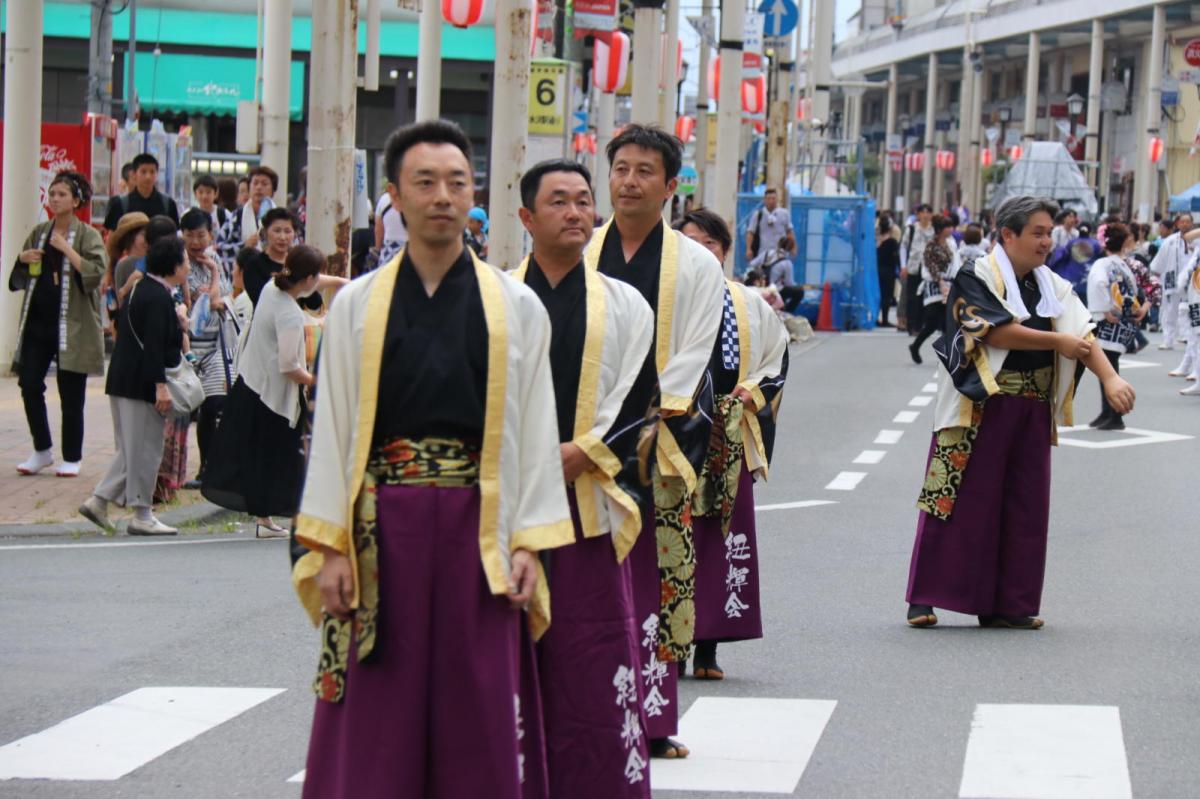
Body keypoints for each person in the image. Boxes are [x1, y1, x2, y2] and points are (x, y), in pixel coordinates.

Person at [292, 120, 572, 799]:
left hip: (481, 529)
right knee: (379, 696)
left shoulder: (518, 307)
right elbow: (330, 430)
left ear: (474, 195)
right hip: (381, 529)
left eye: (456, 182)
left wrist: (531, 541)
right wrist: (329, 545)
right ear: (394, 196)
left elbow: (537, 429)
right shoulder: (357, 305)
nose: (442, 196)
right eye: (424, 182)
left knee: (477, 695)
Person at [906, 196, 1135, 630]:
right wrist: (1058, 344)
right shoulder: (977, 275)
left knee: (1024, 507)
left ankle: (1009, 603)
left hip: (1031, 407)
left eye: (1049, 232)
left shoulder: (1052, 285)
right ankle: (924, 596)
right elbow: (995, 331)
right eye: (1038, 232)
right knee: (951, 498)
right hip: (978, 405)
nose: (1047, 241)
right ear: (1007, 235)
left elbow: (1082, 333)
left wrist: (1110, 379)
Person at [514, 159, 655, 797]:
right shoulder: (495, 298)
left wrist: (586, 451)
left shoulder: (624, 305)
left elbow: (639, 402)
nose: (576, 212)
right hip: (508, 506)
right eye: (559, 202)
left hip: (584, 501)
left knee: (590, 653)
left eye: (582, 201)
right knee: (505, 652)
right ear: (526, 218)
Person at [587, 123, 725, 760]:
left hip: (652, 441)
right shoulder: (580, 250)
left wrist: (625, 425)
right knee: (579, 580)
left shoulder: (696, 264)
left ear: (671, 187)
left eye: (645, 170)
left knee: (653, 580)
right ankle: (578, 710)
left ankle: (655, 718)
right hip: (576, 445)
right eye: (621, 168)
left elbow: (693, 356)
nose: (630, 180)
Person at [677, 207, 788, 682]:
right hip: (672, 434)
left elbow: (775, 356)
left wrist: (752, 391)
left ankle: (708, 645)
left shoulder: (747, 303)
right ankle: (669, 643)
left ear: (723, 252)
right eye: (690, 243)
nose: (701, 252)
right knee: (671, 537)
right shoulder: (664, 301)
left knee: (721, 538)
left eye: (710, 244)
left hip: (727, 429)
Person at [202, 245, 333, 537]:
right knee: (276, 461)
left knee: (256, 457)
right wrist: (319, 380)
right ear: (308, 278)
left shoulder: (270, 289)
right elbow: (290, 367)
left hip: (251, 385)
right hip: (274, 398)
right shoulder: (290, 315)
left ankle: (264, 519)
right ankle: (270, 519)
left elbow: (314, 279)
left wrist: (344, 284)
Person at [79, 236, 191, 536]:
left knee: (130, 451)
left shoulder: (144, 289)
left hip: (123, 380)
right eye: (186, 261)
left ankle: (99, 502)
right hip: (142, 384)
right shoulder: (157, 297)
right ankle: (142, 514)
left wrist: (178, 327)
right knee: (145, 450)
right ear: (174, 265)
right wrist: (161, 387)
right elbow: (153, 346)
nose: (188, 266)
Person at [10, 171, 107, 477]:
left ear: (76, 201)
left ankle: (72, 455)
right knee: (28, 383)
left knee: (71, 393)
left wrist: (67, 250)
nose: (55, 199)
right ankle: (42, 449)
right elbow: (18, 279)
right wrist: (22, 259)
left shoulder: (88, 235)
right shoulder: (40, 232)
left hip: (73, 325)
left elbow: (95, 275)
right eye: (52, 194)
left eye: (62, 194)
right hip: (39, 323)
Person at [179, 208, 246, 490]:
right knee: (193, 406)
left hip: (216, 343)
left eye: (201, 235)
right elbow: (192, 301)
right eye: (190, 235)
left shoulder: (214, 258)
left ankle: (210, 467)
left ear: (210, 234)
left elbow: (221, 299)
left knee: (215, 404)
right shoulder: (177, 260)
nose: (196, 241)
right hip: (188, 344)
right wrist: (208, 294)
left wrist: (215, 272)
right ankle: (197, 467)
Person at [1086, 223, 1147, 430]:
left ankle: (1114, 414)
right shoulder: (1126, 265)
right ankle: (1108, 412)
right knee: (1110, 368)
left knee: (1108, 370)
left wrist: (1103, 310)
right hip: (1124, 321)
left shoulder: (1102, 264)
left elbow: (1098, 284)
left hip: (1109, 320)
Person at [216, 165, 279, 278]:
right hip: (241, 277)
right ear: (249, 188)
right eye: (255, 183)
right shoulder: (237, 216)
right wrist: (244, 246)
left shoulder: (280, 217)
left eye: (264, 184)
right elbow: (219, 248)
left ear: (273, 190)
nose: (259, 188)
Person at [909, 215, 954, 365]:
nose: (951, 229)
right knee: (932, 322)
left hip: (948, 285)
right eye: (948, 227)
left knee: (948, 321)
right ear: (941, 229)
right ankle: (915, 346)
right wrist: (940, 281)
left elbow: (955, 263)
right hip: (933, 286)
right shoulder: (931, 245)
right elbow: (930, 266)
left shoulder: (950, 243)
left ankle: (947, 353)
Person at [1151, 214, 1195, 355]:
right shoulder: (1170, 241)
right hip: (1172, 280)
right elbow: (1159, 262)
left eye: (1188, 222)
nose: (1185, 224)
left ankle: (1187, 336)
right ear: (1177, 224)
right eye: (1182, 222)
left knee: (1190, 310)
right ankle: (1168, 339)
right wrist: (1156, 275)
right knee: (1170, 311)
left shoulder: (1197, 241)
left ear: (1192, 224)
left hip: (1192, 281)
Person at [102, 153, 180, 231]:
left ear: (157, 174)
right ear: (134, 174)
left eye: (152, 172)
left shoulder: (168, 204)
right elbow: (112, 237)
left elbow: (174, 235)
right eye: (143, 172)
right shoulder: (120, 205)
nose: (148, 177)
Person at [900, 204, 935, 334]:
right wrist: (903, 265)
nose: (925, 215)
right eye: (923, 212)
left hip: (929, 268)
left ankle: (921, 325)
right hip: (913, 266)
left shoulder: (934, 230)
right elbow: (903, 247)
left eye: (928, 212)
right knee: (911, 297)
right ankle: (911, 325)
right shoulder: (911, 229)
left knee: (925, 297)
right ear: (918, 214)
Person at [744, 187, 794, 266]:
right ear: (764, 200)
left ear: (777, 199)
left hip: (780, 254)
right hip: (763, 254)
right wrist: (748, 249)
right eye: (768, 198)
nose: (771, 201)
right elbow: (751, 233)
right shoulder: (758, 215)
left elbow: (789, 232)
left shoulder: (784, 214)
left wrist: (793, 247)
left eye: (773, 198)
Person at [876, 214, 901, 326]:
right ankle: (885, 319)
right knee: (887, 295)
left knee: (877, 294)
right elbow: (896, 258)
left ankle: (875, 317)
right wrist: (899, 270)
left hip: (876, 271)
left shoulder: (875, 241)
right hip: (889, 271)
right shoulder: (892, 242)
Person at [373, 187, 408, 267]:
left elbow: (378, 232)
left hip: (388, 255)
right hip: (413, 254)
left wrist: (378, 250)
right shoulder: (419, 198)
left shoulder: (384, 199)